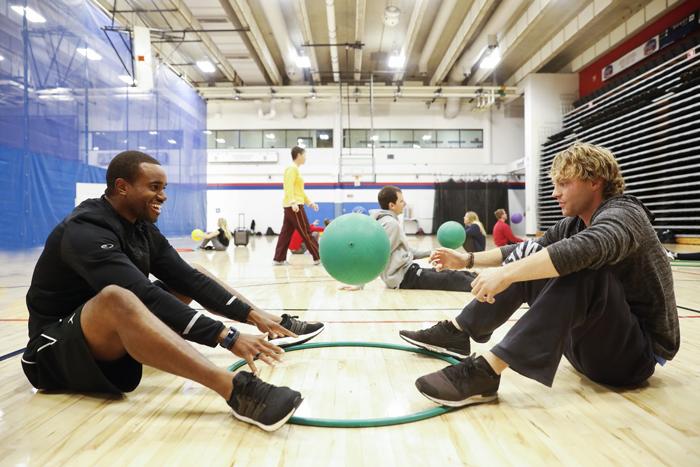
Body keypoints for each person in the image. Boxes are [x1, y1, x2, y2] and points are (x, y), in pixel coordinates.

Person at [22, 150, 325, 432]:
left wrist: (251, 316)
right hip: (51, 353)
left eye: (163, 187)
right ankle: (235, 390)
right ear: (122, 186)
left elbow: (190, 280)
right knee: (119, 298)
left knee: (193, 274)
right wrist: (227, 337)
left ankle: (269, 322)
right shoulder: (86, 228)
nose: (163, 196)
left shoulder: (140, 227)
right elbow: (141, 294)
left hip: (103, 340)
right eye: (154, 187)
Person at [399, 142, 679, 407]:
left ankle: (487, 372)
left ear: (595, 182)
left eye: (564, 183)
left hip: (632, 358)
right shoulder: (571, 224)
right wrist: (467, 259)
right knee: (534, 259)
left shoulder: (625, 213)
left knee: (583, 268)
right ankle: (458, 331)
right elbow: (526, 250)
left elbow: (590, 248)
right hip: (588, 350)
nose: (555, 193)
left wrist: (506, 274)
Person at [370, 186, 477, 291]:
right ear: (392, 205)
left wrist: (431, 252)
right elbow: (379, 256)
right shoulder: (391, 224)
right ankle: (483, 287)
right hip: (404, 278)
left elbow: (407, 251)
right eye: (401, 201)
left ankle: (480, 279)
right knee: (450, 278)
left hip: (408, 272)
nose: (405, 204)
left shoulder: (386, 222)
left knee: (449, 273)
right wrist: (361, 282)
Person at [273, 146, 320, 265]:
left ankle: (278, 259)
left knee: (286, 233)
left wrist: (310, 203)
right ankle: (318, 257)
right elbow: (288, 186)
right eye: (304, 155)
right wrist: (293, 202)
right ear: (298, 155)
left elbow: (300, 191)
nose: (305, 158)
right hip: (294, 206)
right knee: (306, 231)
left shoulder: (296, 170)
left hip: (293, 204)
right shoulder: (292, 169)